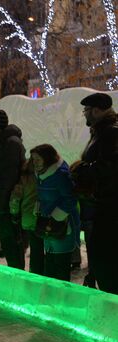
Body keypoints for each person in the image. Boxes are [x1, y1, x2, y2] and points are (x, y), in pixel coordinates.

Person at [73, 92, 118, 293]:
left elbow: (108, 168)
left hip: (109, 207)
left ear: (97, 110)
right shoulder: (101, 132)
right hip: (102, 205)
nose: (84, 114)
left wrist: (82, 170)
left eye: (86, 110)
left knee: (105, 260)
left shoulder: (110, 133)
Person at [31, 144, 80, 281]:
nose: (34, 163)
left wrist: (56, 217)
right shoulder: (41, 175)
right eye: (33, 160)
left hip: (63, 226)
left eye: (37, 160)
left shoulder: (61, 175)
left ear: (47, 159)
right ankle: (50, 295)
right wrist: (39, 209)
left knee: (61, 266)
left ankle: (61, 297)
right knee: (50, 263)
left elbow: (70, 199)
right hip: (48, 225)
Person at [0, 110, 26, 269]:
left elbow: (8, 176)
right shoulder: (5, 142)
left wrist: (3, 202)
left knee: (12, 242)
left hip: (8, 204)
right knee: (9, 242)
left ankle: (17, 274)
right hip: (5, 202)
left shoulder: (10, 144)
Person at [10, 159, 41, 274]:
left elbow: (15, 198)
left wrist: (14, 213)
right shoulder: (44, 179)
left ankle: (33, 272)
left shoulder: (24, 179)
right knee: (39, 247)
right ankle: (39, 272)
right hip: (44, 218)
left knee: (30, 246)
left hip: (28, 218)